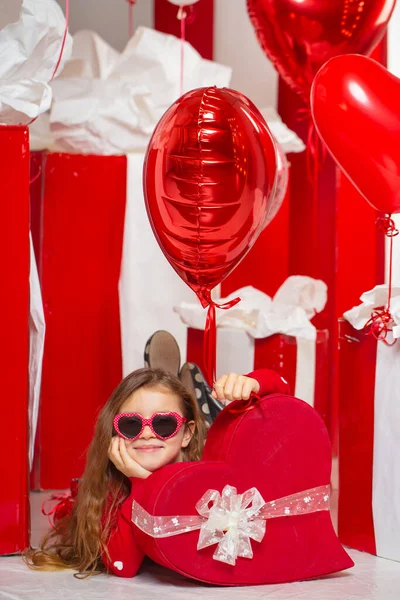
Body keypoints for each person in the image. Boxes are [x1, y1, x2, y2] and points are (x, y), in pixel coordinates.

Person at [26, 367, 289, 578]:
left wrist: (252, 382)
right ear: (116, 432)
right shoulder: (110, 489)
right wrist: (141, 482)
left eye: (164, 423)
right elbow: (123, 566)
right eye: (131, 424)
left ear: (187, 434)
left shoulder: (207, 472)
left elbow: (283, 389)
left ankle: (197, 391)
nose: (148, 433)